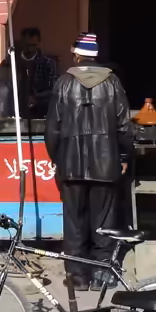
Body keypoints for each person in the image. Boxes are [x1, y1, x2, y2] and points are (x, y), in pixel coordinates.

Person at [45, 32, 134, 294]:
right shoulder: (113, 83)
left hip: (70, 167)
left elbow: (52, 129)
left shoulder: (63, 83)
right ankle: (101, 276)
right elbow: (124, 127)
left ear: (77, 55)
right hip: (105, 167)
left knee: (74, 224)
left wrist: (58, 159)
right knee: (104, 222)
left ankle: (77, 278)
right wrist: (124, 157)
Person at [0, 27, 58, 118]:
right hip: (12, 113)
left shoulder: (48, 64)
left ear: (39, 44)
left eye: (33, 45)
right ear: (22, 43)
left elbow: (54, 89)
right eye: (27, 45)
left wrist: (37, 97)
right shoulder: (9, 63)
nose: (30, 49)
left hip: (39, 114)